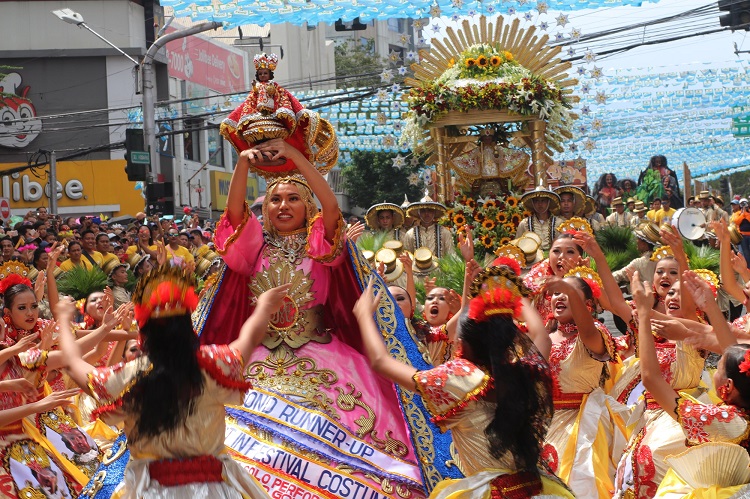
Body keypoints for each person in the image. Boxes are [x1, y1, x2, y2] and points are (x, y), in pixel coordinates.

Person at [193, 138, 459, 497]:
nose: (283, 206)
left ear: (308, 205)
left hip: (324, 356)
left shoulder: (320, 245)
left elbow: (331, 206)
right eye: (275, 199)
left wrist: (296, 158)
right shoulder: (254, 246)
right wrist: (242, 164)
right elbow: (235, 217)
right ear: (264, 208)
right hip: (257, 359)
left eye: (293, 198)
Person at [57, 265, 290, 497]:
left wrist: (64, 319)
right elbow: (249, 337)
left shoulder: (127, 376)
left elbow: (71, 362)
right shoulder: (215, 363)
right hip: (217, 490)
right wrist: (264, 308)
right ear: (189, 325)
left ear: (144, 332)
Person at [353, 269, 574, 498]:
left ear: (462, 342)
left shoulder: (461, 377)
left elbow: (381, 362)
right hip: (537, 488)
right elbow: (541, 336)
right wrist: (512, 297)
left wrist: (364, 317)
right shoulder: (525, 374)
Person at [633, 271, 750, 497]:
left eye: (718, 366)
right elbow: (733, 351)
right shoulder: (736, 417)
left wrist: (645, 315)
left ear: (727, 386)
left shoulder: (721, 421)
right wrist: (710, 308)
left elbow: (651, 379)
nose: (713, 367)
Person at [516, 184, 561, 251]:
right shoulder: (524, 223)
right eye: (536, 201)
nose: (540, 204)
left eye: (543, 201)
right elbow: (517, 246)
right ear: (532, 203)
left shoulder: (558, 222)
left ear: (548, 202)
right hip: (532, 260)